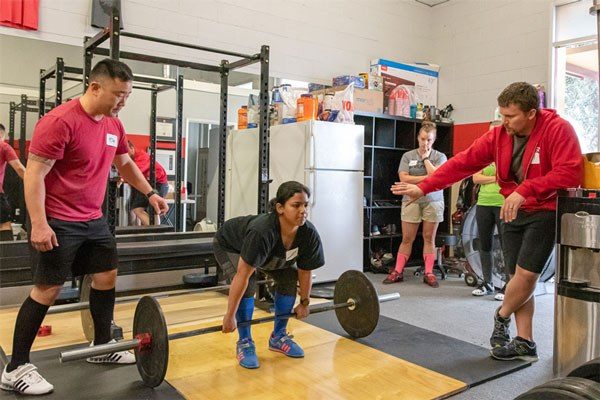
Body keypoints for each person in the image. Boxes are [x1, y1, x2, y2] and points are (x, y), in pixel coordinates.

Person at [1, 59, 169, 395]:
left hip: (93, 219)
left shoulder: (113, 126)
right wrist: (38, 224)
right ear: (94, 87)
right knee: (47, 289)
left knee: (106, 276)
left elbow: (124, 164)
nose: (122, 102)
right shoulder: (60, 122)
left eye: (127, 96)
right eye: (118, 95)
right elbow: (34, 175)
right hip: (59, 220)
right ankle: (15, 366)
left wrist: (149, 193)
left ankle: (103, 344)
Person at [392, 82, 582, 362]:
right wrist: (425, 187)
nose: (504, 122)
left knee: (528, 275)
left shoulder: (557, 129)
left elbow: (570, 173)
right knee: (517, 277)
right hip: (511, 209)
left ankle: (501, 316)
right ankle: (525, 340)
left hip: (544, 208)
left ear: (532, 113)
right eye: (502, 115)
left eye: (510, 116)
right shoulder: (499, 136)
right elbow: (462, 164)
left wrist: (525, 190)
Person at [215, 181, 324, 369]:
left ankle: (278, 336)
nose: (303, 211)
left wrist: (304, 303)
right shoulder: (262, 231)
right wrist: (229, 316)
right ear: (280, 208)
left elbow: (305, 271)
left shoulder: (308, 233)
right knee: (248, 283)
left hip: (269, 253)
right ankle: (245, 341)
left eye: (305, 205)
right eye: (296, 205)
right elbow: (242, 275)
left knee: (289, 277)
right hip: (230, 245)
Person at [383, 121, 447, 288]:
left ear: (434, 140)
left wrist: (426, 159)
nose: (426, 143)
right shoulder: (408, 156)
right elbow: (404, 178)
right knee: (407, 238)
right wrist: (427, 178)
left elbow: (438, 177)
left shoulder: (440, 157)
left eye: (430, 140)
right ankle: (397, 271)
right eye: (423, 139)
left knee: (428, 238)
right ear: (418, 138)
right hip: (411, 200)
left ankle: (429, 272)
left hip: (433, 201)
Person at [471, 121, 505, 297]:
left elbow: (507, 177)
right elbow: (476, 178)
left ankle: (508, 286)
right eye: (490, 132)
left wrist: (489, 176)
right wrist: (495, 178)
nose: (492, 136)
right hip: (484, 202)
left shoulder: (508, 153)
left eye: (496, 132)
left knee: (507, 246)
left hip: (503, 203)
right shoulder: (484, 155)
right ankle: (487, 283)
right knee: (485, 244)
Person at [126, 140, 169, 225]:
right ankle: (146, 231)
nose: (124, 154)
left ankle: (154, 232)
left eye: (126, 151)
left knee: (142, 210)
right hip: (153, 183)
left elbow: (136, 172)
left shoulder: (141, 156)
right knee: (139, 209)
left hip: (158, 184)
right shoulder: (133, 158)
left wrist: (122, 178)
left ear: (132, 148)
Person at [0, 123, 25, 241]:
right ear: (2, 135)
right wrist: (38, 185)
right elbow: (20, 169)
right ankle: (5, 259)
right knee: (4, 225)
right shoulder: (4, 146)